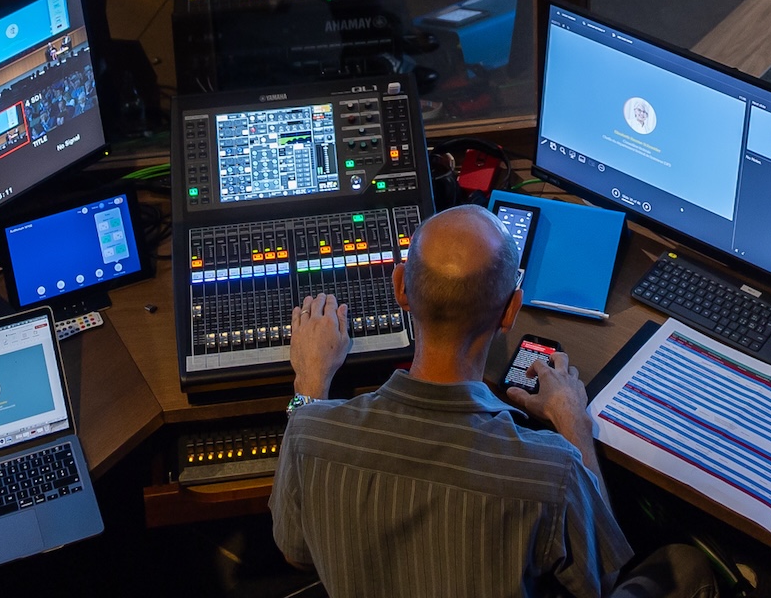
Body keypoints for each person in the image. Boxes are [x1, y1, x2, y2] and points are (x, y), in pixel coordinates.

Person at [280, 203, 703, 598]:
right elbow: (600, 579)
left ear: (400, 287)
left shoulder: (308, 432)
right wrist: (573, 421)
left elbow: (295, 552)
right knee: (686, 565)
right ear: (510, 311)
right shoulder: (554, 471)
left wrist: (310, 382)